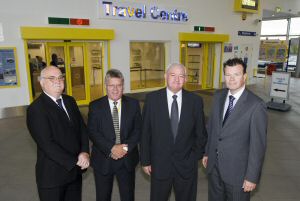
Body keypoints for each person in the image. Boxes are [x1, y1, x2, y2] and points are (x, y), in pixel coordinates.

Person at [202, 58, 268, 201]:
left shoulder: (256, 105)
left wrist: (251, 177)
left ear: (244, 76)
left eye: (236, 74)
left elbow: (258, 146)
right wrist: (207, 152)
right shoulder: (219, 96)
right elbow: (212, 128)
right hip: (214, 167)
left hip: (238, 174)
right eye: (228, 75)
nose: (231, 79)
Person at [140, 63, 207, 201]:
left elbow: (200, 133)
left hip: (186, 167)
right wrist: (145, 160)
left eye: (181, 76)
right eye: (173, 75)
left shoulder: (195, 101)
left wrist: (194, 157)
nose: (177, 79)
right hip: (159, 165)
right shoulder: (152, 99)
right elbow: (145, 133)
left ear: (186, 79)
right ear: (165, 76)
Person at [26, 66, 90, 201]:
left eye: (60, 77)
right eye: (52, 78)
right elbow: (47, 144)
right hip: (53, 177)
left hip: (74, 174)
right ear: (41, 82)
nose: (58, 81)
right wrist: (76, 162)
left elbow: (82, 129)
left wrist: (84, 152)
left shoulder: (70, 101)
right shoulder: (36, 109)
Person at [88, 69, 142, 201]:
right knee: (103, 196)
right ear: (106, 86)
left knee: (128, 196)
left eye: (119, 85)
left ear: (123, 86)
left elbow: (138, 129)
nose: (115, 89)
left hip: (127, 159)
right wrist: (111, 148)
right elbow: (93, 132)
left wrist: (124, 148)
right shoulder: (95, 106)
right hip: (103, 159)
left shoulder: (133, 105)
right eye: (112, 85)